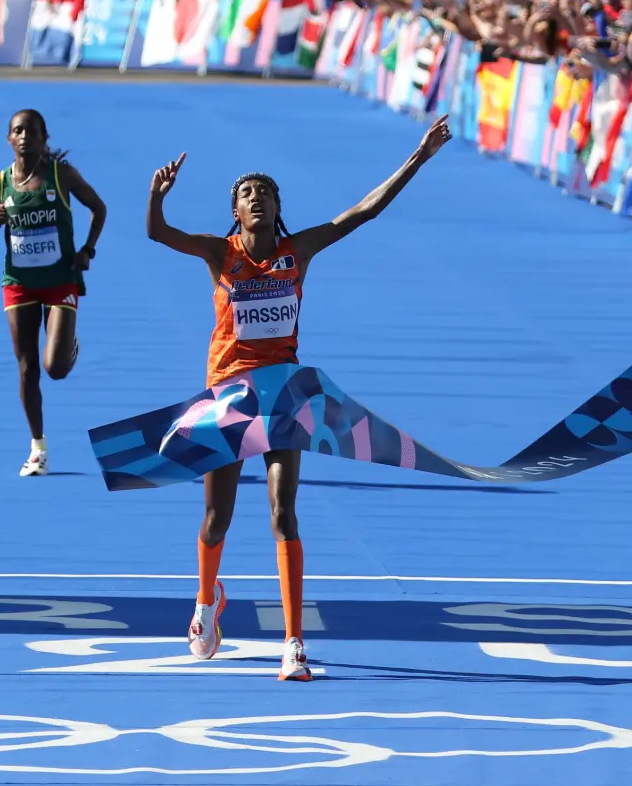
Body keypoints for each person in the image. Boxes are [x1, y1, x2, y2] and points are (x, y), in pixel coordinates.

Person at [145, 116, 453, 680]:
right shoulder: (221, 254)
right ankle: (206, 602)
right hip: (228, 395)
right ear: (236, 212)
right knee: (217, 519)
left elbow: (361, 212)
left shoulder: (297, 250)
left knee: (284, 512)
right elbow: (158, 236)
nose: (256, 198)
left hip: (283, 393)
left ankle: (293, 643)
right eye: (246, 194)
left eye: (265, 192)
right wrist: (157, 200)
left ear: (277, 206)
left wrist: (418, 157)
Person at [0, 110, 107, 476]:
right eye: (17, 131)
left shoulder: (60, 175)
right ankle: (38, 448)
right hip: (18, 284)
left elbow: (99, 208)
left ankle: (67, 346)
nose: (24, 137)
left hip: (61, 280)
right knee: (27, 367)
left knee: (56, 368)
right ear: (8, 139)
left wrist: (87, 250)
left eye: (31, 131)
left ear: (44, 138)